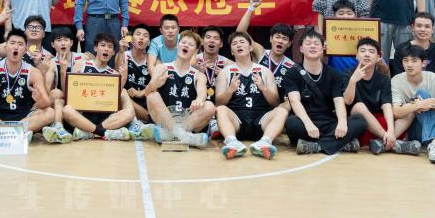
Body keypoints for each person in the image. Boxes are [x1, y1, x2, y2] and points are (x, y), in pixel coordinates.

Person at [282, 30, 366, 154]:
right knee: (291, 123)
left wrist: (342, 123)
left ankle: (316, 146)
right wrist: (308, 124)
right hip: (305, 121)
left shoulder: (333, 73)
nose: (312, 46)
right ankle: (339, 143)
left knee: (359, 121)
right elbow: (294, 101)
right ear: (301, 49)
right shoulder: (292, 73)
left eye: (316, 43)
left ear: (323, 49)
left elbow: (339, 101)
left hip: (329, 122)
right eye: (308, 43)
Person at [43, 33, 136, 142]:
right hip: (81, 115)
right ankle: (104, 133)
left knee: (129, 112)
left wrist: (123, 79)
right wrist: (63, 72)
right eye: (102, 45)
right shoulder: (81, 65)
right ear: (95, 48)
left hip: (105, 118)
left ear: (113, 52)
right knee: (67, 109)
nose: (106, 49)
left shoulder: (114, 74)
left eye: (110, 47)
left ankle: (88, 132)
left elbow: (114, 100)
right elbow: (69, 93)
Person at [0, 28, 55, 137]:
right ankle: (18, 133)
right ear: (5, 47)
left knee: (50, 112)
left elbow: (46, 103)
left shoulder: (33, 72)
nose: (16, 47)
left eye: (20, 44)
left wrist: (40, 98)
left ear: (25, 50)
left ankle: (5, 132)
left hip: (24, 117)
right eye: (12, 43)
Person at [215, 30, 288, 160]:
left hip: (261, 119)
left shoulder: (264, 71)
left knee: (281, 111)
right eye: (234, 44)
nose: (238, 45)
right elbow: (219, 103)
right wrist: (230, 90)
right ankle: (232, 142)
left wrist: (263, 88)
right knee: (220, 110)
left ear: (250, 48)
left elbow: (275, 103)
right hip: (236, 121)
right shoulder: (225, 72)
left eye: (242, 42)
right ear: (231, 51)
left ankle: (265, 142)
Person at [343, 37, 419, 156]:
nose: (367, 54)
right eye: (362, 51)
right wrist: (353, 81)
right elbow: (347, 101)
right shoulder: (347, 74)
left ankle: (384, 142)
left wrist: (391, 130)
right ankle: (390, 142)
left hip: (379, 124)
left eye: (371, 51)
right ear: (356, 55)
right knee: (359, 107)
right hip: (359, 125)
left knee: (410, 110)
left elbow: (387, 105)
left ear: (378, 57)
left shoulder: (383, 79)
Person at [138, 30, 215, 146]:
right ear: (178, 45)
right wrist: (154, 85)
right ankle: (184, 137)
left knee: (209, 106)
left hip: (187, 121)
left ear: (196, 51)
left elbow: (202, 93)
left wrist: (199, 100)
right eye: (183, 42)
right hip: (164, 119)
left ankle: (171, 135)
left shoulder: (199, 75)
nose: (186, 45)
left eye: (190, 44)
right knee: (152, 96)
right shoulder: (162, 68)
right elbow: (147, 93)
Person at [390, 14, 435, 88]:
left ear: (432, 29)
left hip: (432, 88)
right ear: (412, 28)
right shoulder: (401, 49)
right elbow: (398, 77)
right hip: (407, 88)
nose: (423, 30)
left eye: (427, 26)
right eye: (419, 26)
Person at [118, 25, 158, 123]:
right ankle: (149, 120)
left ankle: (145, 120)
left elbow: (157, 84)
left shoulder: (152, 60)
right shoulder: (123, 55)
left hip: (145, 99)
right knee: (121, 93)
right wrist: (121, 52)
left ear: (149, 42)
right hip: (126, 98)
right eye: (138, 34)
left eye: (145, 36)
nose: (141, 38)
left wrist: (140, 93)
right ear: (131, 39)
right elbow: (117, 79)